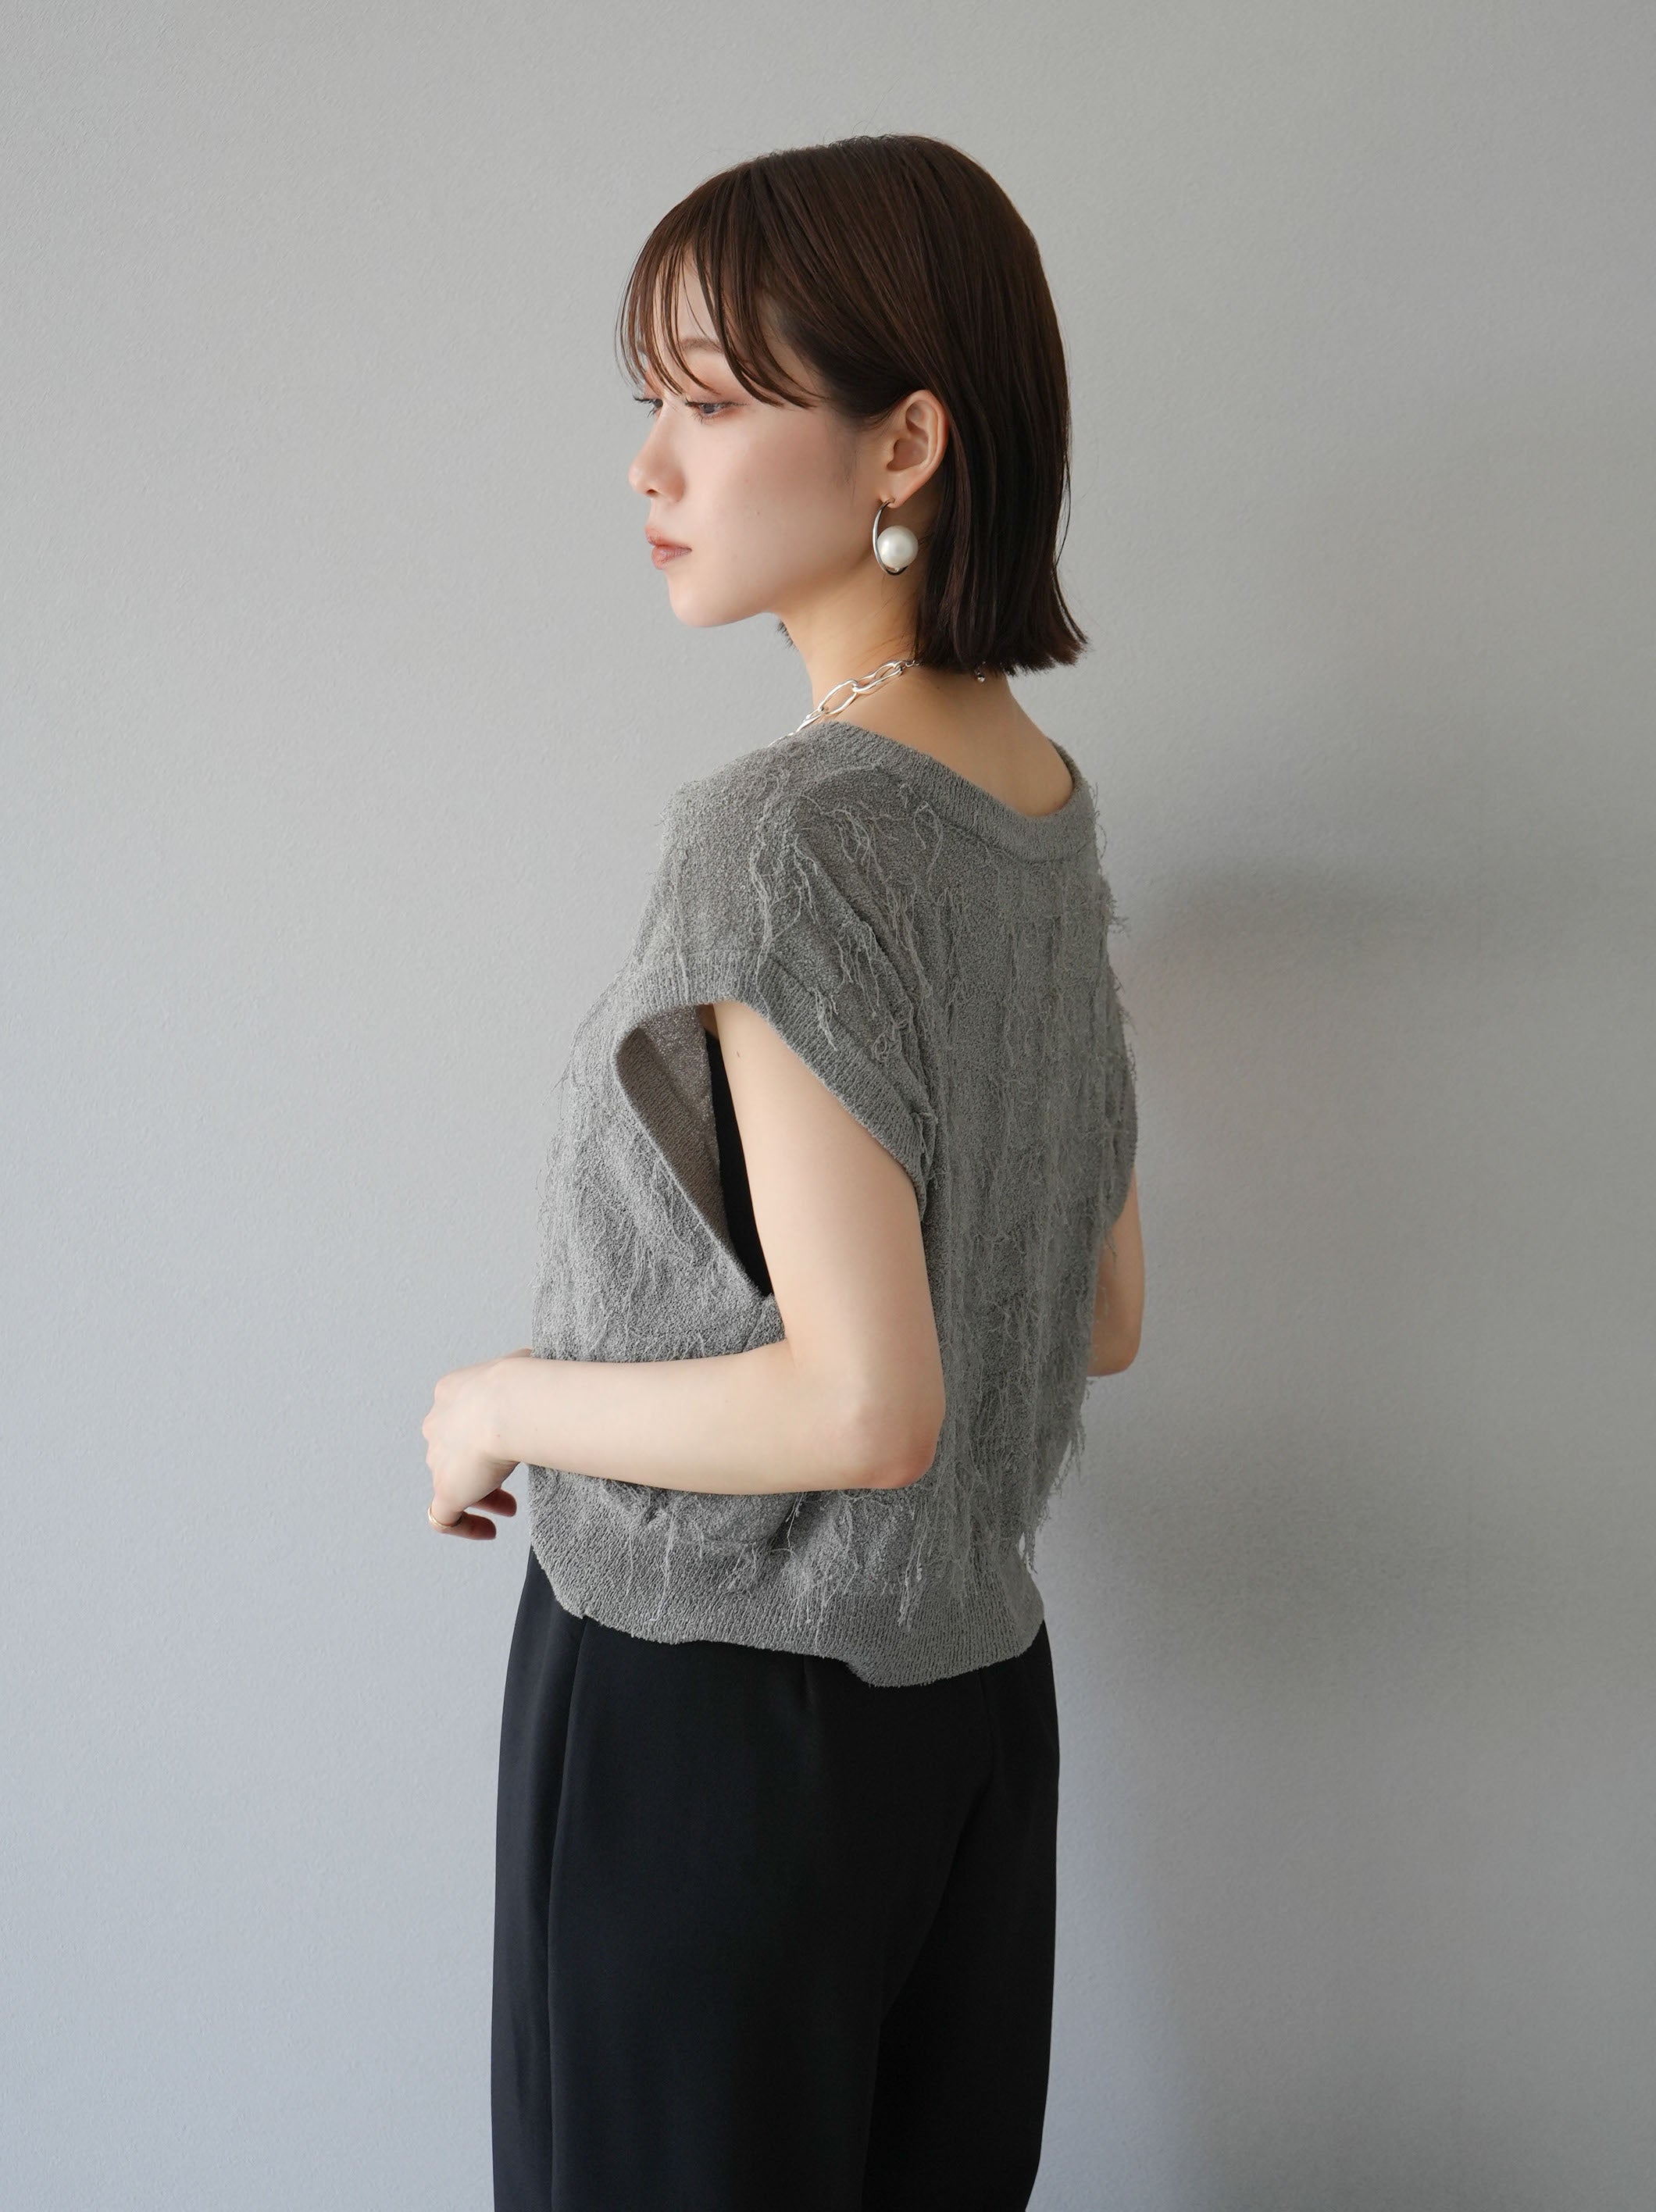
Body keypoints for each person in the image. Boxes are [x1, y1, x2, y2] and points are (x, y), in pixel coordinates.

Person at [419, 131, 1144, 2212]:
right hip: (975, 1725)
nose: (653, 464)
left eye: (716, 403)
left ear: (905, 441)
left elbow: (865, 1405)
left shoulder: (790, 834)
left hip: (718, 1730)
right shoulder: (1041, 806)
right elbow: (1098, 1314)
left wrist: (498, 1401)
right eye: (650, 399)